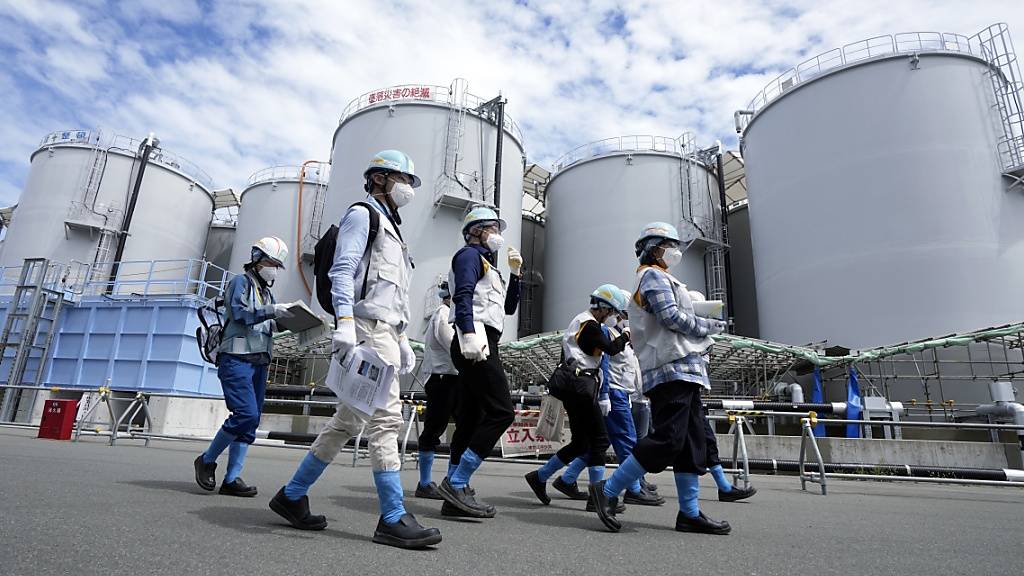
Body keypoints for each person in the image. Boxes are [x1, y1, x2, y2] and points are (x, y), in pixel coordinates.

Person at [269, 150, 441, 549]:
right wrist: (344, 322)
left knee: (347, 422)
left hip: (385, 332)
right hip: (365, 330)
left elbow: (391, 294)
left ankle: (292, 495)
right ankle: (393, 516)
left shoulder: (393, 230)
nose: (409, 188)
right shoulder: (363, 215)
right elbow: (342, 270)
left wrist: (401, 338)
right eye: (404, 179)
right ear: (379, 178)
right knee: (386, 419)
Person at [589, 222, 732, 535]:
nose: (675, 252)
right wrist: (707, 326)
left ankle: (689, 513)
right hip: (670, 369)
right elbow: (670, 317)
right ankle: (608, 490)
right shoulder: (652, 276)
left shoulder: (663, 277)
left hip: (685, 369)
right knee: (669, 438)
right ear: (653, 249)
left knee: (691, 442)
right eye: (670, 245)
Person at [436, 206, 522, 518]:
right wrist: (468, 332)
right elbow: (463, 296)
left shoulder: (490, 266)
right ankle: (457, 482)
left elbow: (508, 309)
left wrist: (516, 275)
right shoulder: (468, 256)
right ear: (476, 231)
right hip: (475, 339)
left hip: (485, 339)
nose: (497, 234)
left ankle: (453, 495)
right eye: (492, 227)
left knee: (471, 419)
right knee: (502, 411)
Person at [194, 237, 296, 497]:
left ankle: (231, 479)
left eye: (277, 265)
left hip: (259, 361)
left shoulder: (267, 293)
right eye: (271, 263)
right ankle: (206, 460)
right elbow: (240, 314)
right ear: (257, 260)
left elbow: (269, 325)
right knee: (246, 414)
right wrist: (273, 310)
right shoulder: (240, 282)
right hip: (236, 359)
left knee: (251, 422)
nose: (274, 270)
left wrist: (295, 321)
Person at [549, 288, 665, 507]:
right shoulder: (601, 329)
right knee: (623, 440)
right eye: (620, 313)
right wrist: (604, 395)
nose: (622, 317)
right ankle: (631, 488)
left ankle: (566, 479)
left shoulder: (610, 330)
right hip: (611, 391)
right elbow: (605, 360)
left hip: (619, 392)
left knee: (598, 442)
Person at [524, 284, 633, 510]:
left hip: (574, 388)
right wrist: (626, 335)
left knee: (582, 442)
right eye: (611, 312)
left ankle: (540, 476)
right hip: (580, 388)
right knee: (600, 440)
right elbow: (611, 349)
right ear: (603, 307)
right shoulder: (588, 325)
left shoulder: (581, 322)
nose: (612, 316)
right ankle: (597, 497)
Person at [686, 290, 757, 503]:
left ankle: (722, 487)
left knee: (704, 440)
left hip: (692, 394)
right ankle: (619, 487)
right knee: (666, 443)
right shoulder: (683, 335)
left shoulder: (702, 337)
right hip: (680, 392)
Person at [414, 280, 459, 500]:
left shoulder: (451, 314)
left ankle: (453, 482)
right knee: (434, 427)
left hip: (454, 378)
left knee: (463, 427)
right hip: (442, 378)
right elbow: (452, 344)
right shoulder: (443, 314)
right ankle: (425, 483)